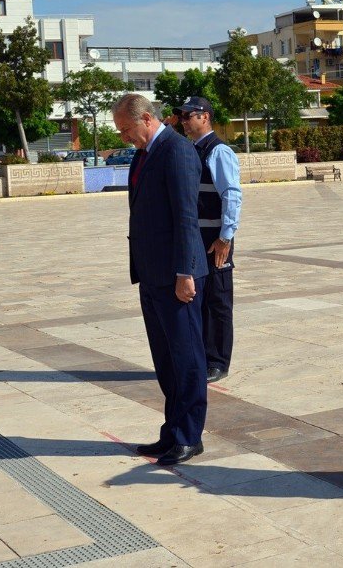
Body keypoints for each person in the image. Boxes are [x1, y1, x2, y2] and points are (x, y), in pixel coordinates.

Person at [113, 93, 209, 466]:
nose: (124, 138)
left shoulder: (177, 151)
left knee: (186, 360)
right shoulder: (144, 153)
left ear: (147, 119)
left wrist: (185, 273)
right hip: (152, 275)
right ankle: (172, 432)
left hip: (176, 277)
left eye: (126, 130)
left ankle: (189, 437)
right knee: (166, 361)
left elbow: (187, 217)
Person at [176, 96, 242, 383]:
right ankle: (201, 358)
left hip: (215, 239)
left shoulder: (219, 151)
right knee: (198, 301)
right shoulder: (191, 150)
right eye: (182, 116)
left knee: (217, 301)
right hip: (195, 238)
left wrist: (225, 237)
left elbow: (232, 195)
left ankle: (217, 362)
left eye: (188, 116)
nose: (183, 121)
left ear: (205, 117)